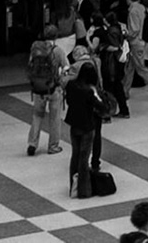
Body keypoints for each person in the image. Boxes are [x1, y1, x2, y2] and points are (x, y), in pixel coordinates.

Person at [66, 59, 109, 198]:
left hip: (74, 124)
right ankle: (83, 191)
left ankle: (72, 186)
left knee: (75, 156)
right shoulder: (88, 91)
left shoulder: (71, 85)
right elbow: (102, 107)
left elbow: (68, 101)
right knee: (84, 159)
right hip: (87, 126)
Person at [27, 24, 69, 155]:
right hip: (53, 88)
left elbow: (30, 64)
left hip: (38, 88)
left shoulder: (36, 48)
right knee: (54, 118)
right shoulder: (57, 51)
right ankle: (53, 146)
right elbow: (67, 67)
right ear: (56, 37)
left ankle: (32, 143)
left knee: (37, 116)